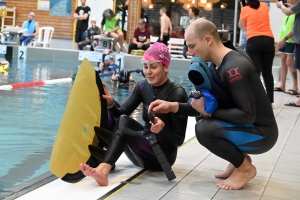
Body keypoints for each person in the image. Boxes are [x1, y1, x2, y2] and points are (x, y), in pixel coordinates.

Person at [148, 19, 278, 190]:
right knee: (204, 119)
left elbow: (247, 114)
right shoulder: (215, 65)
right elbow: (205, 106)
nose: (189, 52)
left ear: (208, 40)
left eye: (192, 46)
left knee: (204, 129)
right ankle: (238, 160)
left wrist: (209, 114)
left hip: (262, 135)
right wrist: (173, 106)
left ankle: (244, 168)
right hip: (247, 127)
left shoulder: (234, 68)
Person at [79, 42, 188, 186]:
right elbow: (120, 116)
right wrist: (111, 102)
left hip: (162, 158)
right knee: (109, 112)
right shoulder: (142, 86)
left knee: (124, 121)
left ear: (166, 67)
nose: (148, 72)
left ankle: (104, 169)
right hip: (141, 153)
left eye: (153, 67)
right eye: (145, 66)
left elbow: (179, 140)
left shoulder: (177, 93)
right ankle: (102, 160)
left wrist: (163, 128)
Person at [239, 0, 275, 105]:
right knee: (267, 72)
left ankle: (257, 100)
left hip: (253, 41)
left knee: (256, 72)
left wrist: (242, 9)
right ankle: (270, 101)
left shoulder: (245, 9)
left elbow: (242, 27)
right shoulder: (264, 6)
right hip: (268, 40)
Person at [276, 0, 300, 107]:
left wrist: (281, 5)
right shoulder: (295, 8)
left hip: (294, 40)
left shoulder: (292, 10)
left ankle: (296, 90)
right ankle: (283, 85)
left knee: (295, 66)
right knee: (287, 62)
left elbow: (287, 12)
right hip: (292, 40)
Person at [275, 13, 298, 95]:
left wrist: (285, 38)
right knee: (283, 61)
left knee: (290, 62)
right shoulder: (287, 14)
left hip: (290, 40)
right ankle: (282, 85)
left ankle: (295, 86)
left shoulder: (296, 13)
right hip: (283, 39)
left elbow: (294, 28)